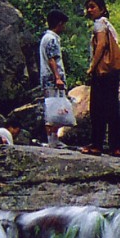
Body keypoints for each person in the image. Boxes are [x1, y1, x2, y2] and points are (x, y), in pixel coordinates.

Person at [83, 0, 120, 155]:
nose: (89, 10)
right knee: (113, 108)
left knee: (97, 108)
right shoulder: (109, 25)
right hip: (112, 72)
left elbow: (101, 45)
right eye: (88, 7)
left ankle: (97, 144)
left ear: (102, 9)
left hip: (102, 72)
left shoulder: (99, 24)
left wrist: (92, 67)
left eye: (93, 6)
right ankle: (116, 146)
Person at [37, 9, 68, 145]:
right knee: (54, 109)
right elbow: (52, 59)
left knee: (51, 108)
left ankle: (53, 139)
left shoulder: (45, 37)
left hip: (47, 79)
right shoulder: (52, 39)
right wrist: (58, 77)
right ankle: (52, 140)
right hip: (52, 80)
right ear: (59, 23)